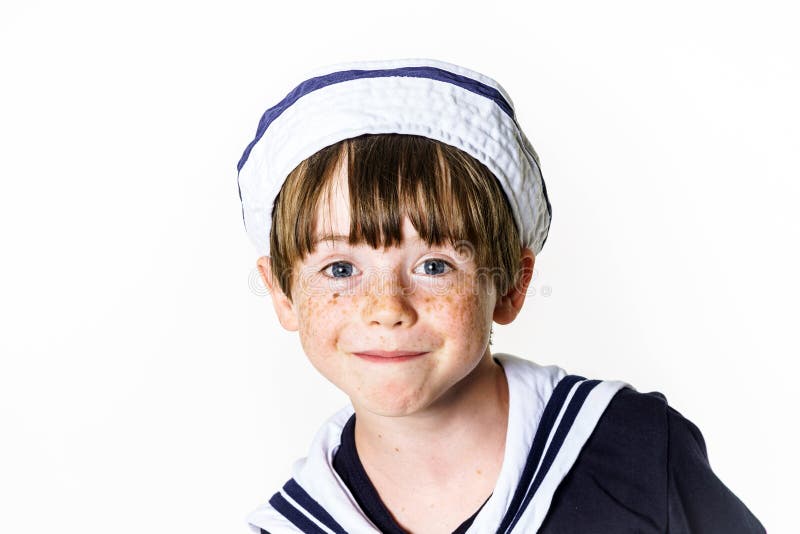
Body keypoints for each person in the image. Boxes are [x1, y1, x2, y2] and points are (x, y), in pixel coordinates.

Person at [237, 58, 765, 533]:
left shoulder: (634, 449)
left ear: (511, 285)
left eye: (434, 265)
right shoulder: (286, 525)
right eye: (340, 268)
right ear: (283, 293)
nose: (386, 309)